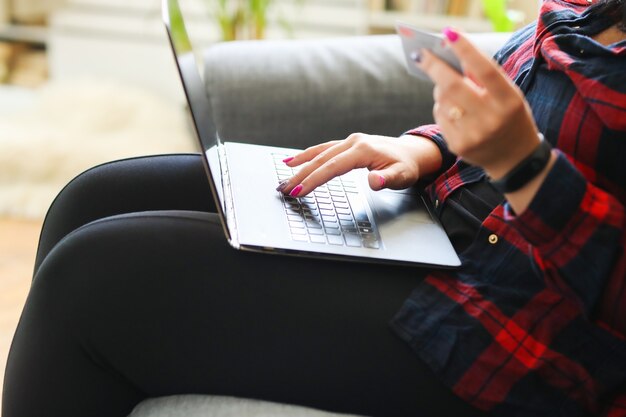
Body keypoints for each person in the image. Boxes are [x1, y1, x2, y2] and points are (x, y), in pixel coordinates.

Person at [3, 0, 625, 416]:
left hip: (522, 331)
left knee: (95, 280)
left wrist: (525, 168)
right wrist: (427, 148)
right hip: (451, 218)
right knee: (94, 197)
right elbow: (528, 95)